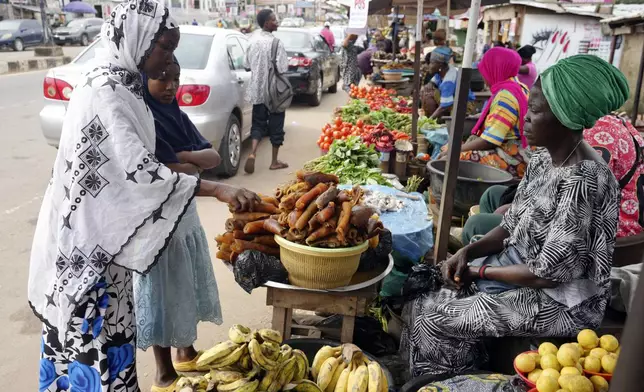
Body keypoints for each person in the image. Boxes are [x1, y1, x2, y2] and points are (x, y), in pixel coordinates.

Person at [30, 2, 259, 390]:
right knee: (94, 349)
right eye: (165, 48)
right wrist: (219, 187)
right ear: (137, 38)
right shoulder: (106, 88)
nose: (169, 59)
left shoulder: (123, 80)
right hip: (90, 249)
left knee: (112, 343)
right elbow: (140, 170)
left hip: (108, 243)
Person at [402, 54, 624, 377]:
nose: (526, 120)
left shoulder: (585, 180)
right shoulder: (543, 159)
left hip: (562, 302)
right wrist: (468, 252)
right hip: (520, 269)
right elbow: (510, 224)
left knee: (437, 318)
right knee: (425, 292)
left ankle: (451, 382)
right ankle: (440, 375)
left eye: (535, 111)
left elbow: (546, 275)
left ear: (565, 117)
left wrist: (481, 272)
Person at [135, 57, 224, 391]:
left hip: (185, 216)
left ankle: (186, 352)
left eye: (176, 78)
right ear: (144, 79)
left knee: (187, 281)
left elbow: (212, 158)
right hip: (157, 221)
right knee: (162, 290)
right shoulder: (142, 117)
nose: (170, 86)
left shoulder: (178, 116)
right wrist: (186, 161)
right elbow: (164, 172)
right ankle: (163, 371)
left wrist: (181, 157)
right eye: (161, 78)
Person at [464, 113, 644, 244]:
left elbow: (572, 206)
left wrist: (516, 210)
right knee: (494, 195)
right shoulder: (612, 124)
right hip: (604, 224)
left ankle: (489, 272)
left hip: (603, 238)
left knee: (477, 225)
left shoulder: (597, 138)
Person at [442, 47, 532, 179]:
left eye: (485, 71)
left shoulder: (505, 97)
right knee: (447, 149)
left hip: (512, 158)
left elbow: (490, 141)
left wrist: (455, 151)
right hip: (522, 153)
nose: (484, 77)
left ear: (494, 70)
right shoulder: (519, 87)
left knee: (449, 158)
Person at [243, 9, 289, 174]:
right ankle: (274, 161)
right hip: (274, 92)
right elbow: (283, 68)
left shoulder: (251, 41)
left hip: (257, 91)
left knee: (258, 124)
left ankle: (253, 153)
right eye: (274, 20)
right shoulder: (277, 43)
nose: (276, 22)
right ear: (266, 23)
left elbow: (246, 65)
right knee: (277, 125)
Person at [421, 46, 476, 120]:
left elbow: (444, 106)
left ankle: (439, 121)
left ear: (440, 65)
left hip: (464, 105)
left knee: (454, 122)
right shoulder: (444, 70)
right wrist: (430, 84)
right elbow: (434, 80)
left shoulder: (449, 80)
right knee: (427, 92)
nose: (429, 66)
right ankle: (439, 119)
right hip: (454, 100)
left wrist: (429, 120)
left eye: (431, 63)